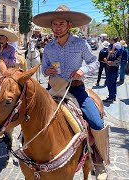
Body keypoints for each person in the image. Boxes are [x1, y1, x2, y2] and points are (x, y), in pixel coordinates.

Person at [33, 5, 109, 179]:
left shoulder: (80, 44)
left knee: (96, 122)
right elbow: (44, 67)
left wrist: (83, 70)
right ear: (51, 26)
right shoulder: (49, 47)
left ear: (69, 25)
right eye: (54, 24)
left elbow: (94, 62)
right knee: (31, 118)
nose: (57, 27)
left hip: (76, 89)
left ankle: (98, 161)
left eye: (61, 23)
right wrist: (47, 71)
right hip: (54, 89)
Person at [103, 37, 123, 102]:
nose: (110, 41)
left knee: (110, 83)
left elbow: (115, 61)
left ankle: (111, 97)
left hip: (113, 69)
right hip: (110, 69)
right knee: (112, 83)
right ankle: (112, 96)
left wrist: (108, 62)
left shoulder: (118, 51)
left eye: (111, 40)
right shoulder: (113, 48)